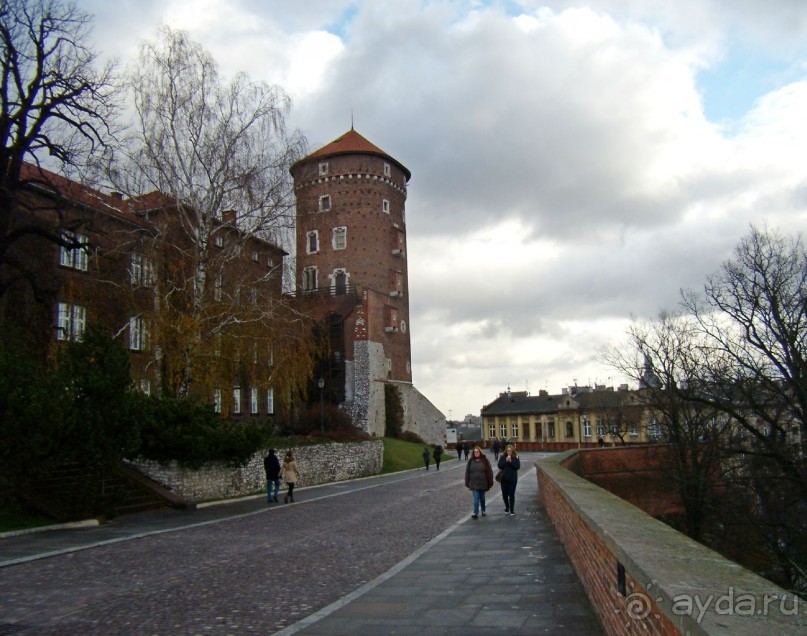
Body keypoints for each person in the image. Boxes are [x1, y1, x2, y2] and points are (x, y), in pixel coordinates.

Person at [465, 446, 493, 519]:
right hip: (474, 483)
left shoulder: (485, 460)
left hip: (483, 483)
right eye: (475, 452)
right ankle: (475, 513)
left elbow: (490, 471)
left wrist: (490, 481)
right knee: (476, 499)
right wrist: (467, 481)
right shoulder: (471, 461)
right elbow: (467, 472)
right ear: (473, 453)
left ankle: (483, 510)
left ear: (480, 452)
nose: (476, 453)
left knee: (482, 498)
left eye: (477, 452)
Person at [497, 444, 521, 515]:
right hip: (504, 479)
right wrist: (506, 461)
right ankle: (507, 506)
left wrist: (511, 462)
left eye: (510, 451)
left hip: (512, 479)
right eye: (508, 451)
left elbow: (517, 466)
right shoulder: (502, 457)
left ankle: (512, 509)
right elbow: (500, 466)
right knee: (504, 495)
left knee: (511, 494)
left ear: (512, 451)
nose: (509, 452)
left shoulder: (516, 457)